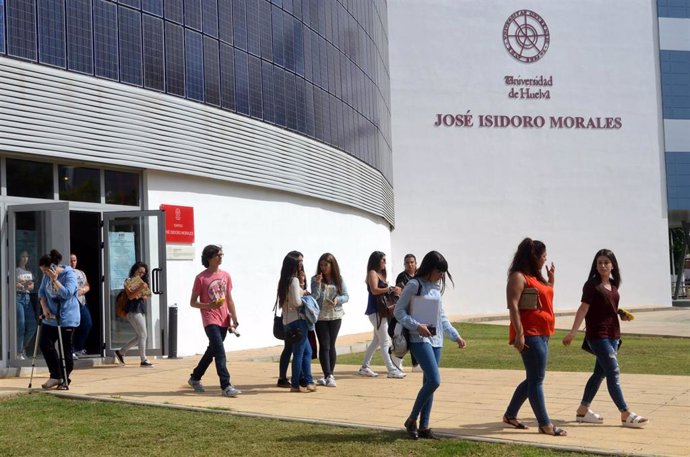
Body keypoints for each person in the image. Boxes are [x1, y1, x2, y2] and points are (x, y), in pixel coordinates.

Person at [562, 249, 649, 428]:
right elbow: (583, 309)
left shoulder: (613, 285)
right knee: (613, 371)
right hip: (598, 336)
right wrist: (573, 332)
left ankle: (582, 410)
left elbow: (607, 307)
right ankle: (625, 413)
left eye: (606, 262)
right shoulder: (591, 285)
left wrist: (620, 313)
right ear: (596, 265)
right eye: (599, 262)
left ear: (612, 265)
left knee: (599, 374)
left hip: (613, 335)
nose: (602, 265)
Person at [394, 251, 466, 440]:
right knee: (435, 380)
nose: (441, 276)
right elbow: (398, 312)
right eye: (439, 272)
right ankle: (412, 419)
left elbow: (441, 317)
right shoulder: (413, 285)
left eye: (443, 273)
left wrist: (456, 336)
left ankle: (424, 426)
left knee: (429, 383)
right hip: (419, 339)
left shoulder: (435, 288)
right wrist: (417, 326)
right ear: (429, 268)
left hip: (436, 339)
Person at [503, 238, 566, 436]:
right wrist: (519, 335)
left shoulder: (536, 276)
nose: (546, 259)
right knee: (537, 380)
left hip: (543, 332)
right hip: (529, 334)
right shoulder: (518, 277)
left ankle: (510, 415)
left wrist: (551, 280)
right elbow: (513, 306)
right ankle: (545, 424)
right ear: (533, 257)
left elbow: (545, 297)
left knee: (533, 378)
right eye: (543, 256)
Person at [187, 245, 242, 397]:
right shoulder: (201, 278)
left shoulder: (226, 275)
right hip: (210, 318)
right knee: (220, 352)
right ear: (209, 258)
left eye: (221, 254)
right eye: (217, 255)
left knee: (213, 350)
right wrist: (208, 306)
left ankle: (195, 377)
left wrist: (234, 317)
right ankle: (226, 386)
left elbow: (229, 299)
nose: (220, 257)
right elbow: (192, 302)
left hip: (224, 318)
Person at [358, 251, 405, 379]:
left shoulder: (379, 274)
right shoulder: (372, 273)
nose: (385, 262)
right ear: (377, 260)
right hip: (376, 311)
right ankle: (391, 370)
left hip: (380, 311)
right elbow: (374, 290)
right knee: (384, 341)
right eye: (383, 260)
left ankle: (364, 367)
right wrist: (390, 289)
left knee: (377, 341)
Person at [37, 249, 80, 389]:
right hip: (51, 318)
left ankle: (65, 378)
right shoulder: (46, 276)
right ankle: (55, 375)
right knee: (44, 343)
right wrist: (44, 308)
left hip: (66, 318)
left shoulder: (70, 275)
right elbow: (42, 292)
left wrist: (55, 280)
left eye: (45, 271)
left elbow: (67, 293)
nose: (45, 274)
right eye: (43, 272)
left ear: (53, 268)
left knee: (65, 349)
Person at [311, 253, 349, 387]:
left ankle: (330, 374)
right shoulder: (315, 279)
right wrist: (317, 284)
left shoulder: (339, 279)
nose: (323, 268)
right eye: (321, 265)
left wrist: (338, 300)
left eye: (326, 265)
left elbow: (346, 296)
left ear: (332, 265)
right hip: (321, 316)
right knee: (324, 344)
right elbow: (314, 297)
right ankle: (328, 374)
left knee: (331, 344)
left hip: (335, 314)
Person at [278, 254, 315, 392]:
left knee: (307, 351)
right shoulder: (293, 280)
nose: (301, 264)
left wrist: (302, 289)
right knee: (299, 353)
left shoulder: (284, 280)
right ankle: (295, 384)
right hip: (298, 320)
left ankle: (309, 381)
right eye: (299, 261)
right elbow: (297, 302)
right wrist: (305, 296)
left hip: (288, 321)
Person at [114, 262, 154, 367]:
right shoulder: (129, 281)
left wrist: (141, 291)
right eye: (139, 272)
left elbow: (147, 296)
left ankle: (121, 352)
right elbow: (131, 296)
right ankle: (143, 359)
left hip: (140, 309)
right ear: (134, 270)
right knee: (143, 334)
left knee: (140, 336)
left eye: (143, 273)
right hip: (132, 311)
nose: (141, 274)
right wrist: (141, 289)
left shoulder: (142, 282)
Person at [395, 253, 420, 372]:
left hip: (418, 310)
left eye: (412, 262)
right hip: (406, 311)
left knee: (417, 336)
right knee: (406, 338)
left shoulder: (420, 275)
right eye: (407, 263)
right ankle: (399, 360)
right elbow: (400, 293)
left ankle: (416, 364)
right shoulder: (401, 277)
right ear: (404, 264)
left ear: (416, 263)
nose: (410, 265)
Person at [70, 254, 92, 359]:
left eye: (74, 260)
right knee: (71, 327)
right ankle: (71, 350)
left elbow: (87, 285)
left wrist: (84, 290)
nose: (73, 262)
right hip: (71, 303)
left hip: (82, 302)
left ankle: (78, 348)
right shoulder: (65, 273)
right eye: (71, 260)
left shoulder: (81, 273)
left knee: (87, 323)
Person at [15, 251, 36, 360]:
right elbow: (13, 285)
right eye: (23, 256)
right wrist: (24, 285)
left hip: (27, 298)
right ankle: (18, 353)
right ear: (19, 257)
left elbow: (31, 287)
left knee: (32, 326)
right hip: (17, 298)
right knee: (21, 325)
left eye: (27, 256)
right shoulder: (15, 270)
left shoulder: (29, 272)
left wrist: (22, 285)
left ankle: (22, 347)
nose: (25, 258)